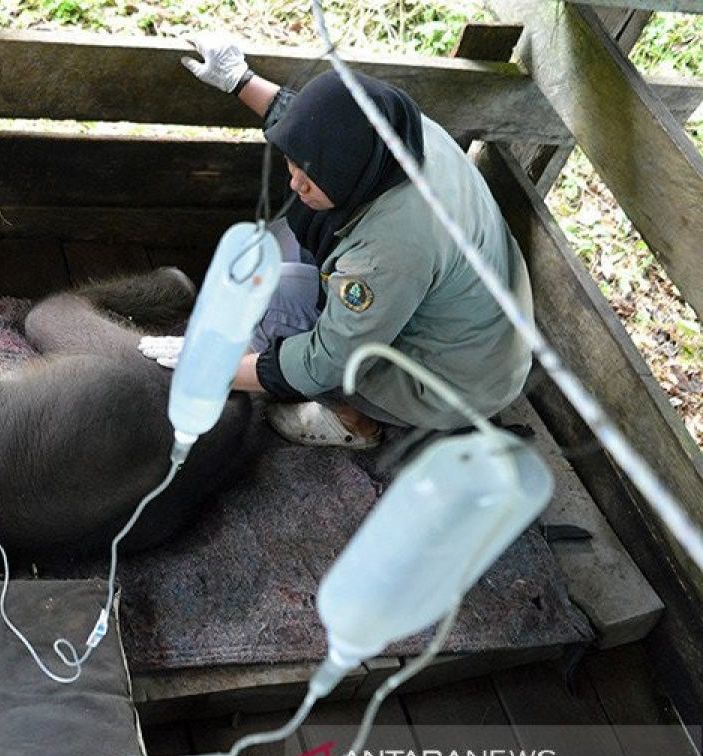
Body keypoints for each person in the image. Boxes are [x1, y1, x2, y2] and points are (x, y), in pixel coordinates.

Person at [143, 33, 534, 448]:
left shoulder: (391, 250)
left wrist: (214, 366)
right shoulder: (397, 134)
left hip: (452, 380)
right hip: (480, 326)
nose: (295, 183)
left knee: (266, 301)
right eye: (292, 166)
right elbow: (318, 128)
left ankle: (353, 423)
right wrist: (241, 80)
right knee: (273, 247)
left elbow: (324, 361)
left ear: (348, 174)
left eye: (309, 179)